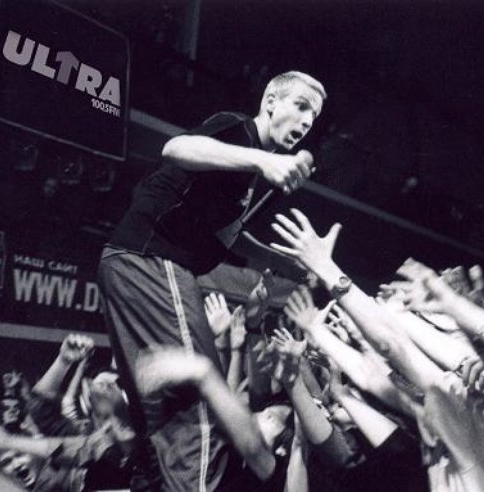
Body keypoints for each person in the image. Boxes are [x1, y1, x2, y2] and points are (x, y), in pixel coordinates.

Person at [97, 71, 326, 490]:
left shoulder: (247, 171)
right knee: (201, 407)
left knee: (161, 404)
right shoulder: (238, 129)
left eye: (312, 118)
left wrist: (291, 263)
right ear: (270, 100)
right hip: (154, 259)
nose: (306, 121)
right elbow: (176, 148)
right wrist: (264, 160)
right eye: (300, 106)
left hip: (129, 261)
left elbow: (228, 236)